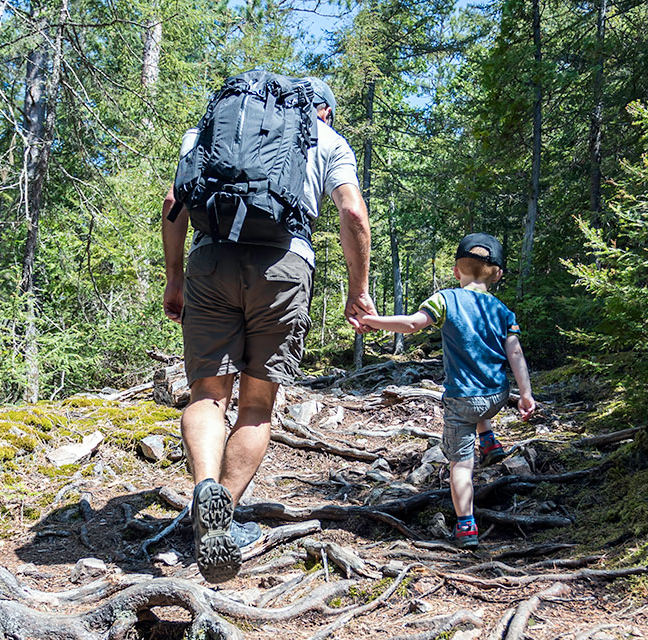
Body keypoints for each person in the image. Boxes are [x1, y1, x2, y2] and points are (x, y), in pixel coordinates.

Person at [161, 76, 376, 582]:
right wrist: (358, 288)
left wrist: (174, 280)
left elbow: (174, 204)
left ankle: (204, 489)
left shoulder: (209, 129)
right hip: (282, 265)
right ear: (323, 110)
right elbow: (352, 212)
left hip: (210, 261)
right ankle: (221, 516)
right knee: (257, 405)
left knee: (207, 395)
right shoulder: (327, 139)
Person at [359, 233, 537, 548]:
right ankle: (490, 440)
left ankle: (466, 526)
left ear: (456, 271)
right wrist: (525, 394)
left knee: (461, 465)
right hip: (497, 396)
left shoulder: (446, 300)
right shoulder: (503, 312)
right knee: (480, 407)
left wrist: (374, 321)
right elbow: (516, 353)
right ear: (497, 274)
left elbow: (413, 324)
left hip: (463, 401)